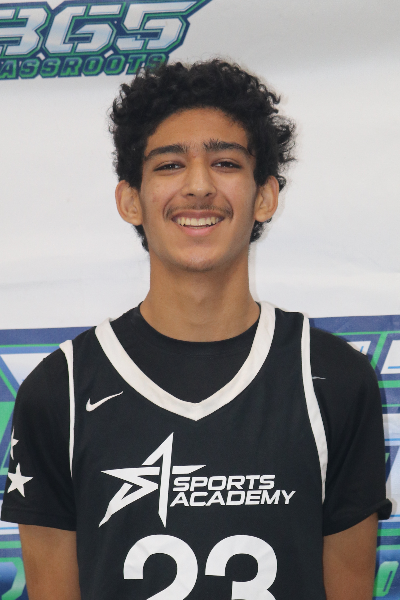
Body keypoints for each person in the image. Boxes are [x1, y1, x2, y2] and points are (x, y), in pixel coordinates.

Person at [2, 59, 391, 600]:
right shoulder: (60, 390)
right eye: (169, 165)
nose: (199, 186)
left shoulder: (331, 379)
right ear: (130, 200)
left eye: (226, 162)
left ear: (265, 196)